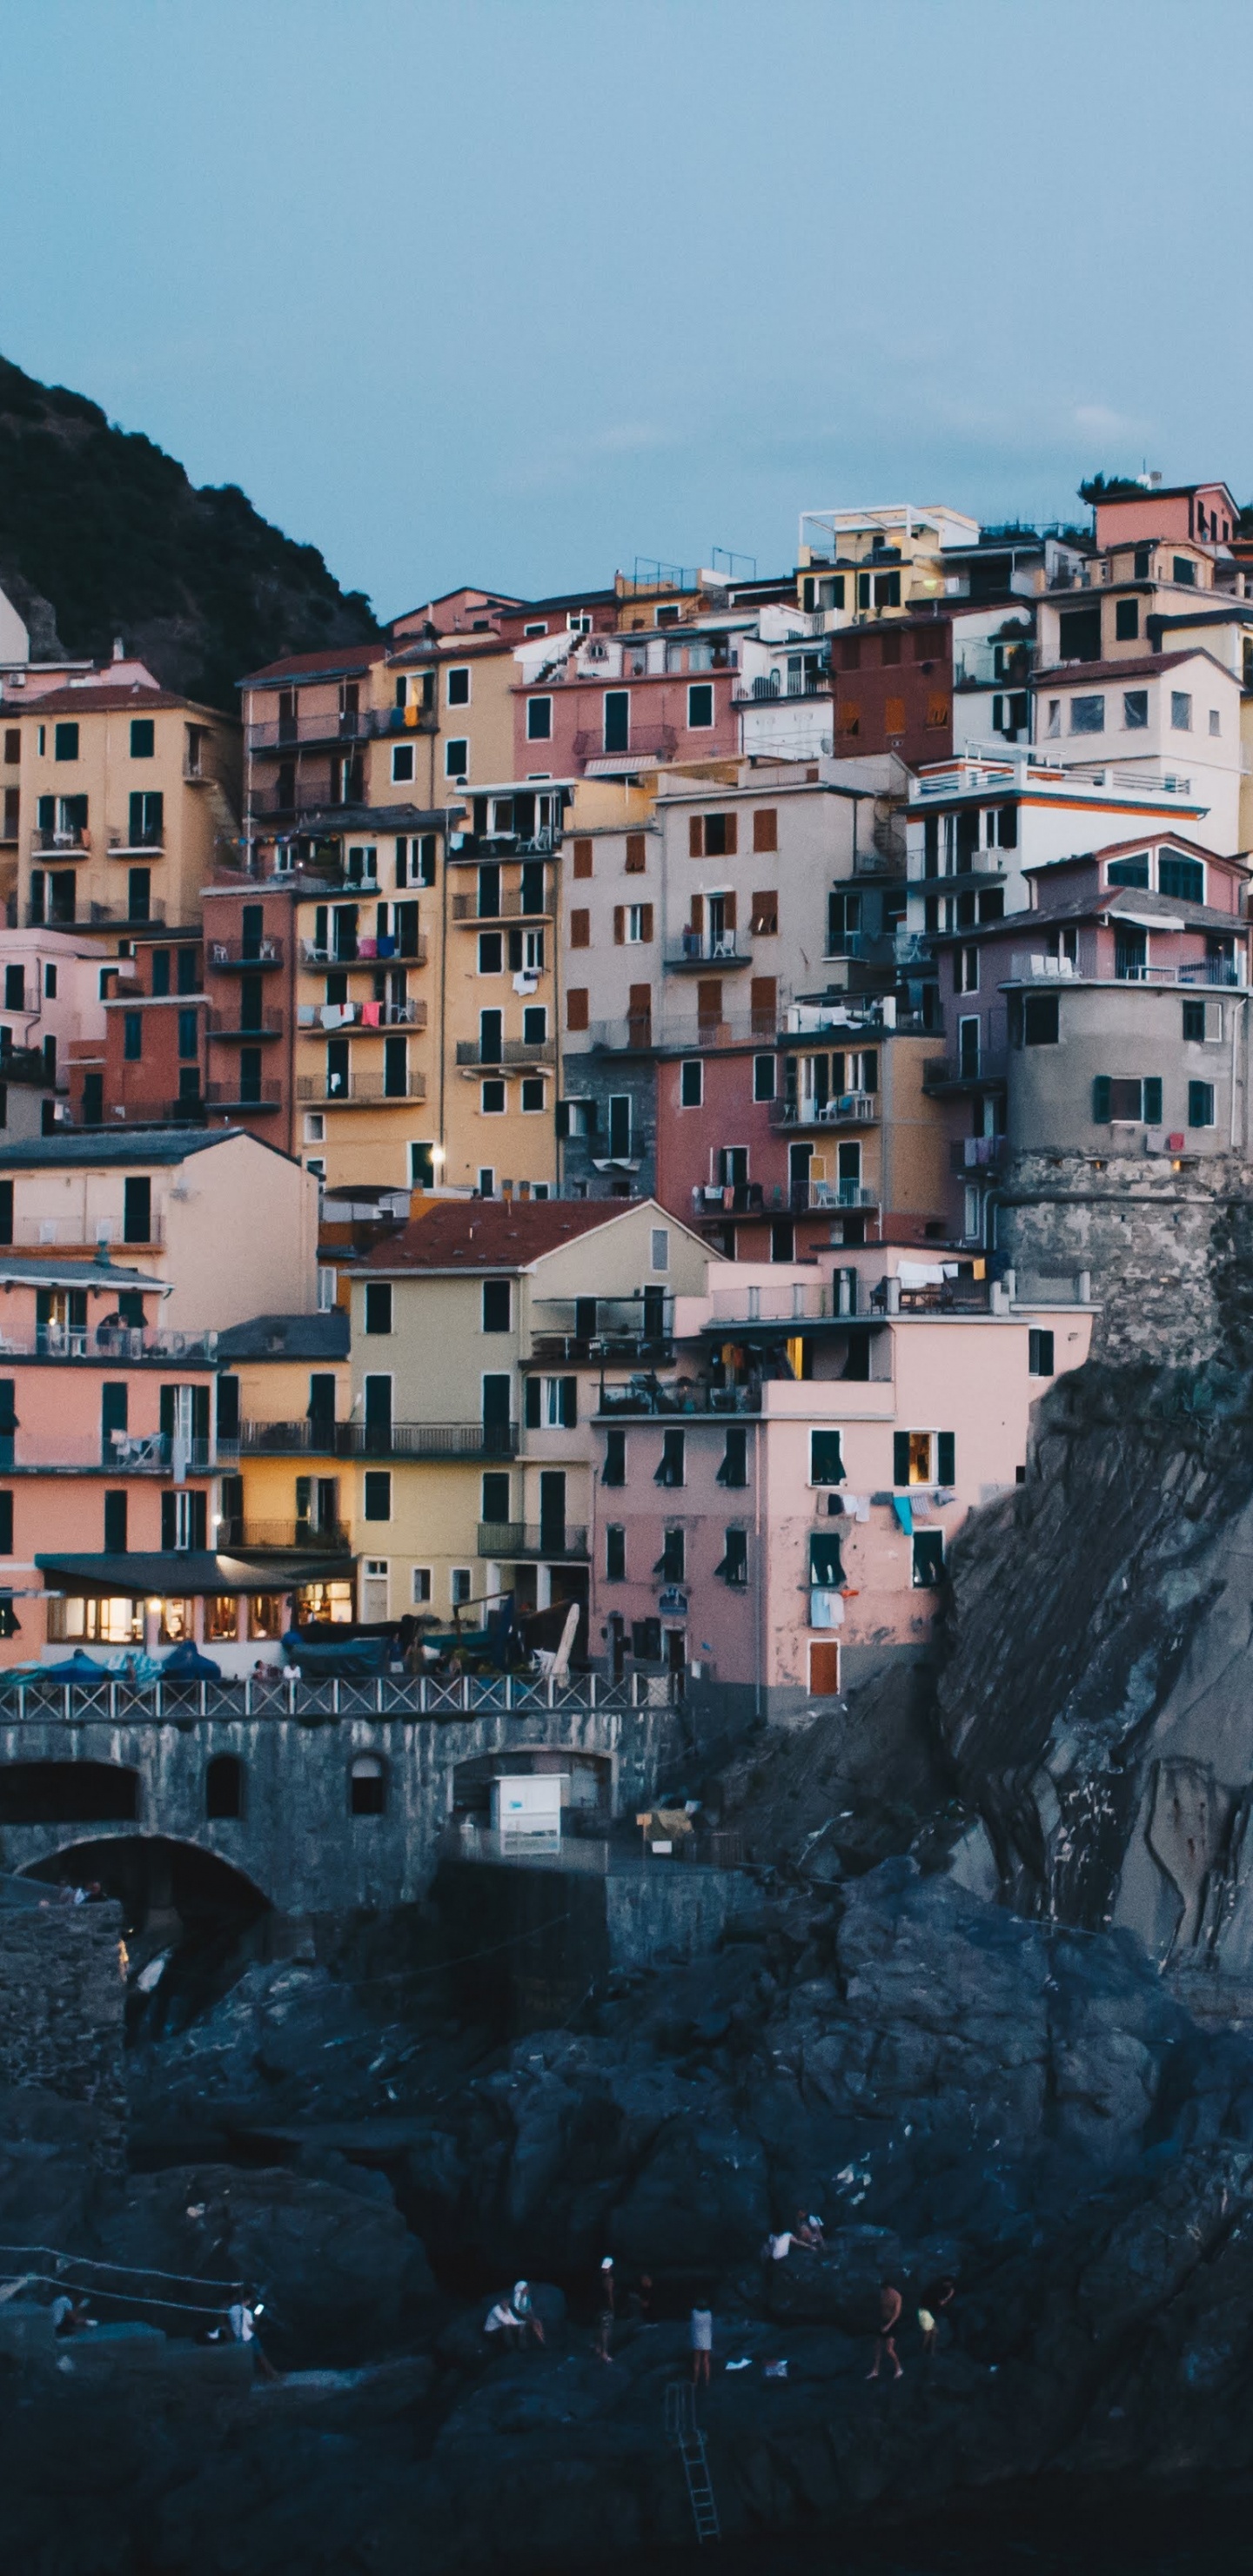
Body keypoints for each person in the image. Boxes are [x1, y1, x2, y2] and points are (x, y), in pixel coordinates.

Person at [225, 2289, 280, 2382]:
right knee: (261, 2355)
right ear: (247, 2300)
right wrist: (257, 2318)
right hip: (249, 2337)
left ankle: (266, 2374)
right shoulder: (247, 2312)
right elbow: (252, 2328)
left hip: (238, 2338)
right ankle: (272, 2374)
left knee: (243, 2360)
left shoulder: (231, 2310)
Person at [867, 2281, 903, 2382]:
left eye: (886, 2290)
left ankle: (899, 2368)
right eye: (883, 2290)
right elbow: (881, 2307)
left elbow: (897, 2314)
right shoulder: (882, 2294)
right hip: (883, 2321)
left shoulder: (897, 2296)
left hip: (893, 2324)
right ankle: (875, 2370)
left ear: (890, 2288)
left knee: (889, 2349)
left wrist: (888, 2326)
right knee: (878, 2347)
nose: (885, 2292)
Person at [511, 2281, 544, 2346]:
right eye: (525, 2288)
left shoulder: (526, 2297)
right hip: (517, 2317)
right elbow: (518, 2312)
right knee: (530, 2324)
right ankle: (540, 2341)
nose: (528, 2289)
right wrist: (530, 2318)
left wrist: (533, 2317)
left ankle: (541, 2339)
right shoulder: (516, 2299)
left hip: (525, 2316)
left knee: (537, 2322)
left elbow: (529, 2308)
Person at [690, 2304, 713, 2388]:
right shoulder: (709, 2313)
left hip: (697, 2340)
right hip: (706, 2339)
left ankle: (695, 2381)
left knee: (697, 2361)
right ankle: (707, 2381)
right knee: (706, 2361)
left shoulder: (694, 2313)